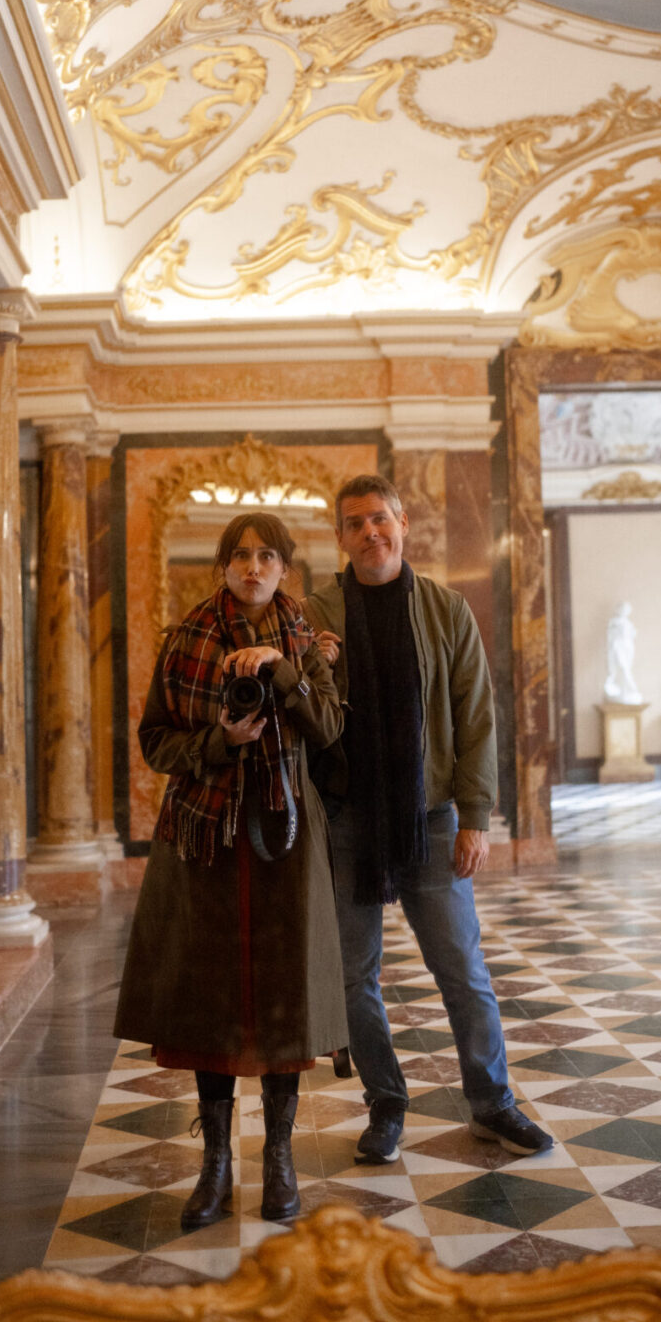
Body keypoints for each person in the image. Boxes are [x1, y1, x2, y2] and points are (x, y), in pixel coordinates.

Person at [303, 474, 553, 1165]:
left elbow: (477, 716)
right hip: (349, 823)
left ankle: (493, 1103)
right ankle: (386, 1103)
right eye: (354, 524)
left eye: (380, 519)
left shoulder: (444, 607)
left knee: (462, 969)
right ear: (340, 537)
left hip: (433, 817)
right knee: (355, 977)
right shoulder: (317, 612)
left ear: (403, 523)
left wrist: (477, 816)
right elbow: (302, 719)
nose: (369, 534)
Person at [114, 513, 347, 1229]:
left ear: (285, 569)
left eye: (267, 557)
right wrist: (219, 741)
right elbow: (156, 740)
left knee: (283, 992)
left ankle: (278, 1159)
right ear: (223, 565)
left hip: (285, 836)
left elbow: (330, 729)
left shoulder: (304, 641)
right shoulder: (186, 638)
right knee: (210, 997)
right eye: (240, 556)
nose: (253, 568)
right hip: (202, 842)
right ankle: (215, 1163)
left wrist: (279, 672)